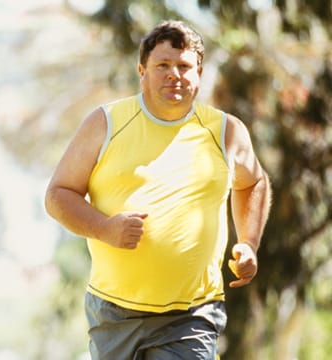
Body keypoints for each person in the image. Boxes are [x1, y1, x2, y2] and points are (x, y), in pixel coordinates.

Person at [44, 20, 271, 359]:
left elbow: (253, 182)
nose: (173, 74)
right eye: (162, 65)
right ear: (142, 70)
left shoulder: (225, 131)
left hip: (192, 315)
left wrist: (249, 243)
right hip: (113, 312)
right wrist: (103, 228)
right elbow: (58, 195)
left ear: (199, 73)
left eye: (183, 66)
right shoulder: (105, 124)